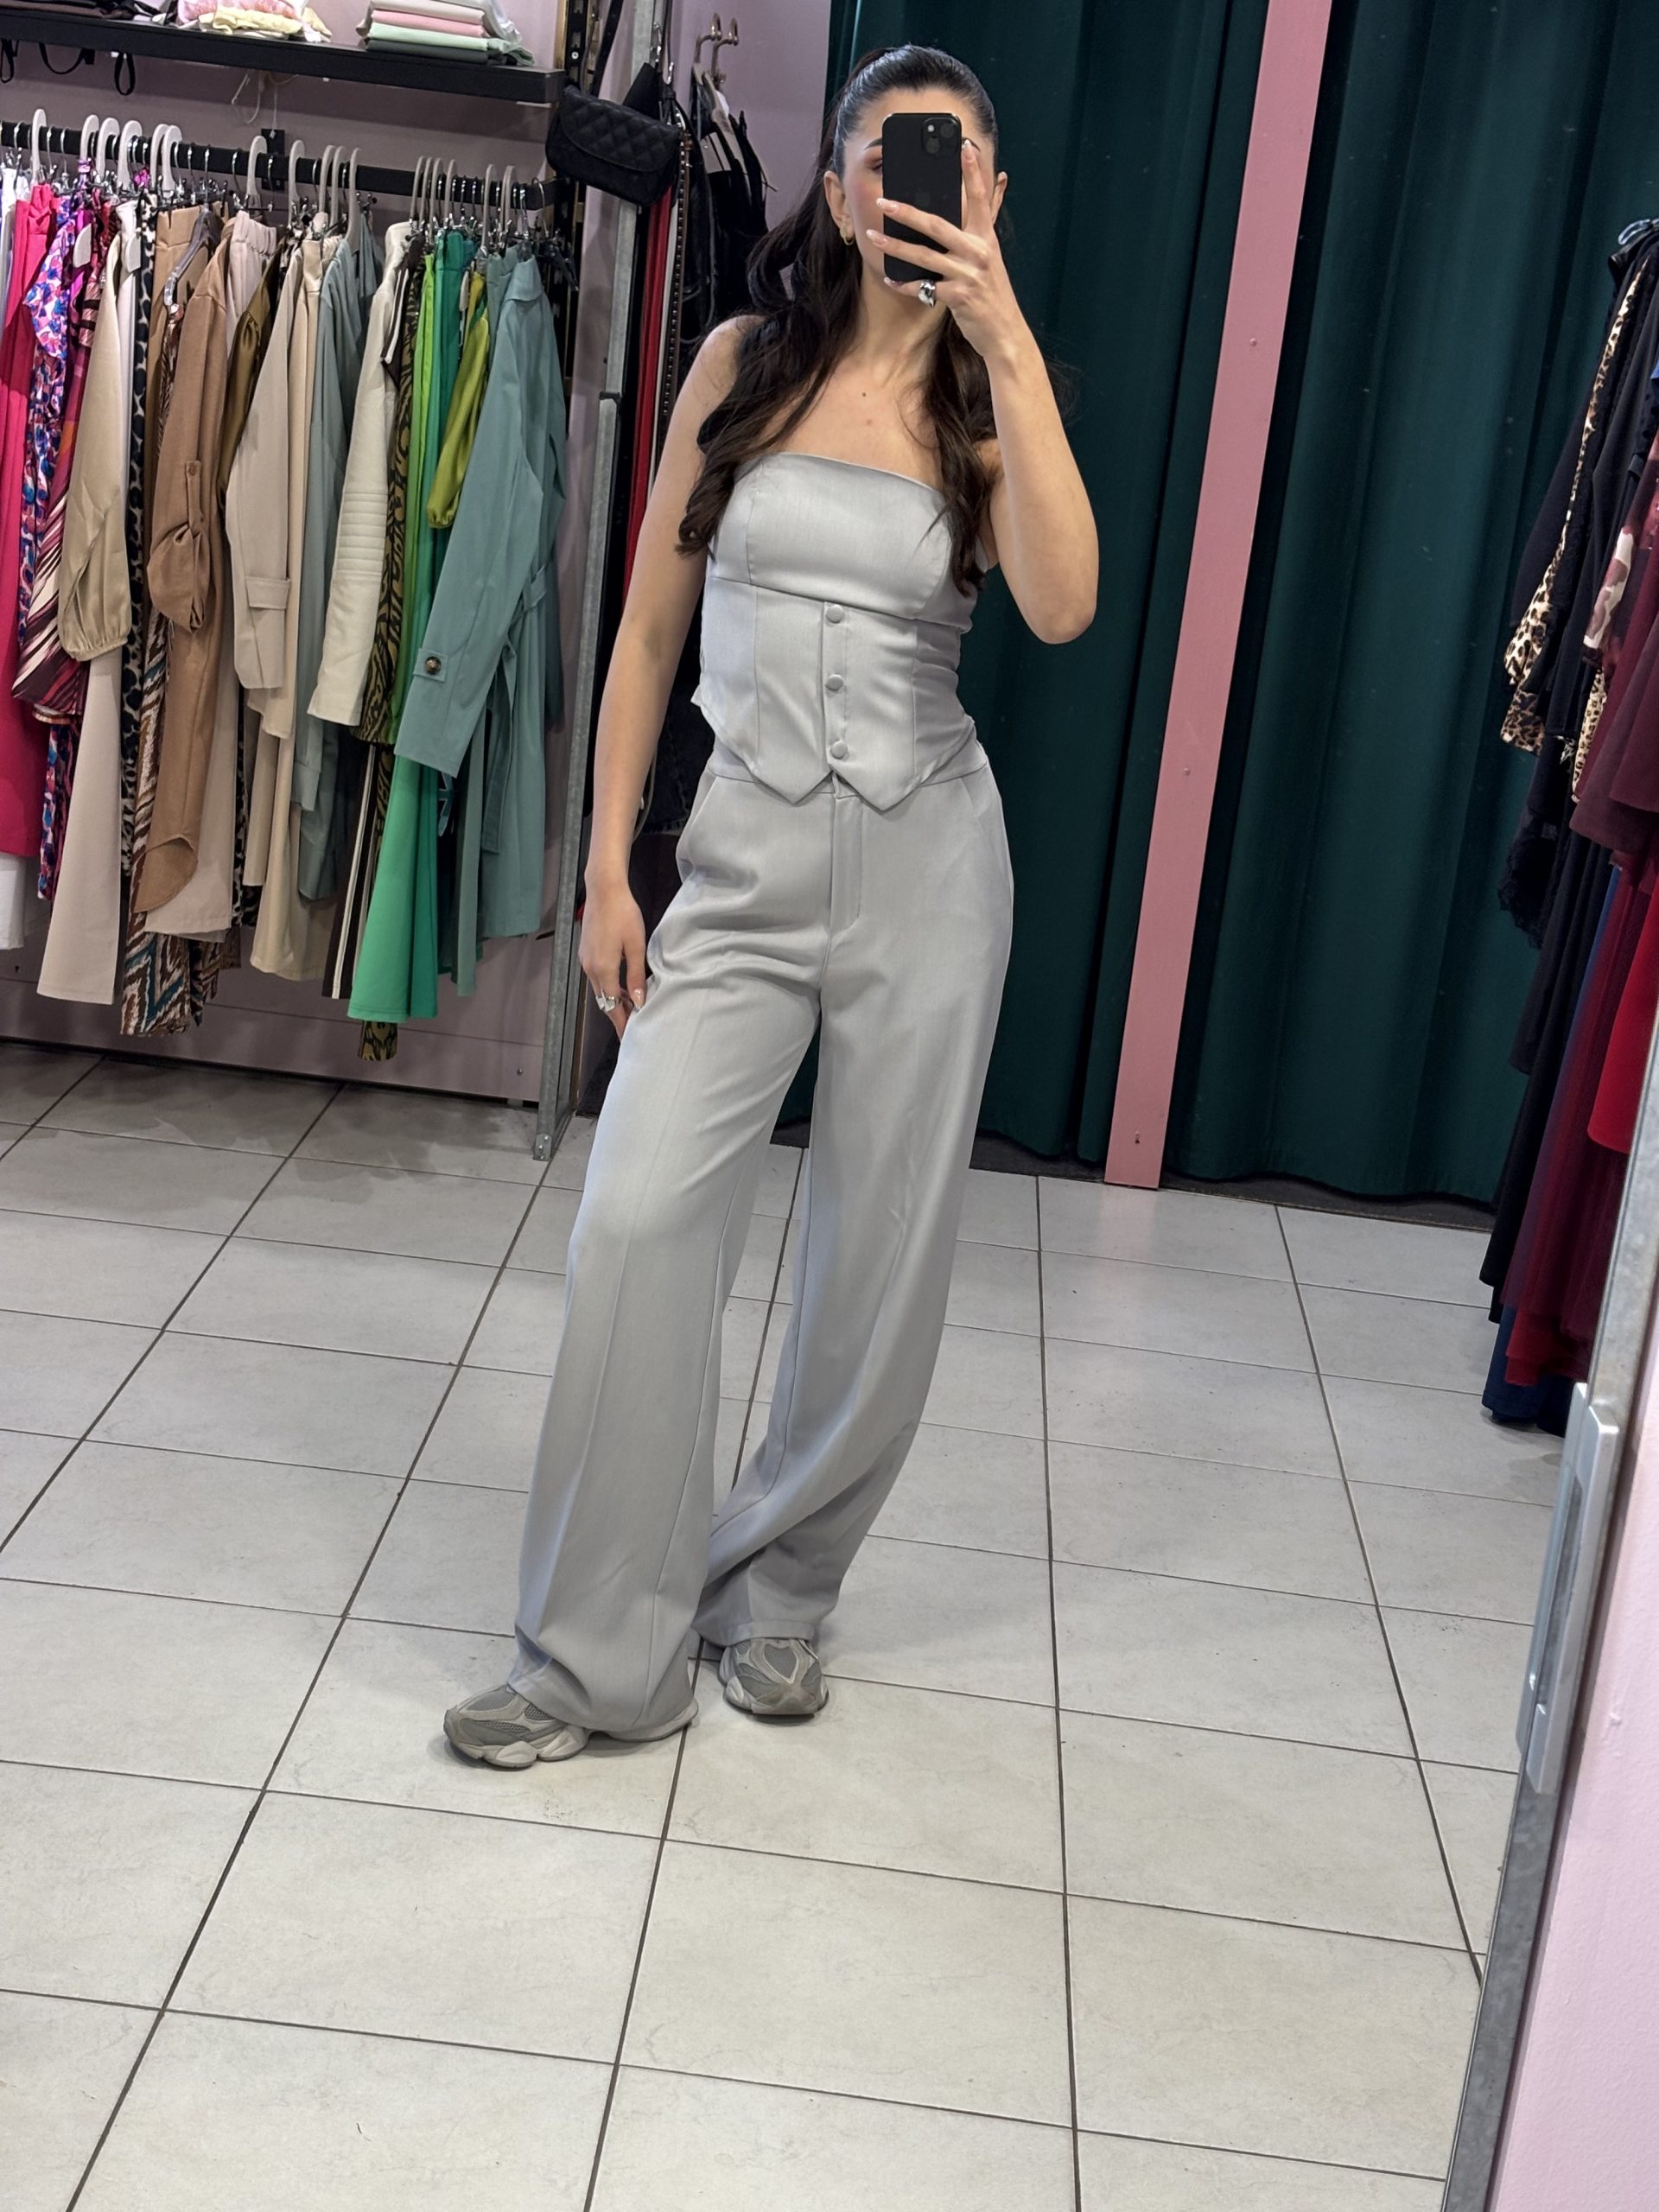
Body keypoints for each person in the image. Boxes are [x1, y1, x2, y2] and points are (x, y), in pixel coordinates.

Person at [444, 42, 1097, 1768]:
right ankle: (594, 1659)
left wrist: (1007, 336)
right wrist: (607, 863)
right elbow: (649, 629)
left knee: (877, 1264)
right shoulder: (742, 361)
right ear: (839, 174)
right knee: (636, 1218)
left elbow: (1063, 605)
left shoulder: (986, 406)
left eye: (952, 163)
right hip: (735, 868)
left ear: (992, 193)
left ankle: (782, 1590)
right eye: (890, 154)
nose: (915, 188)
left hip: (929, 875)